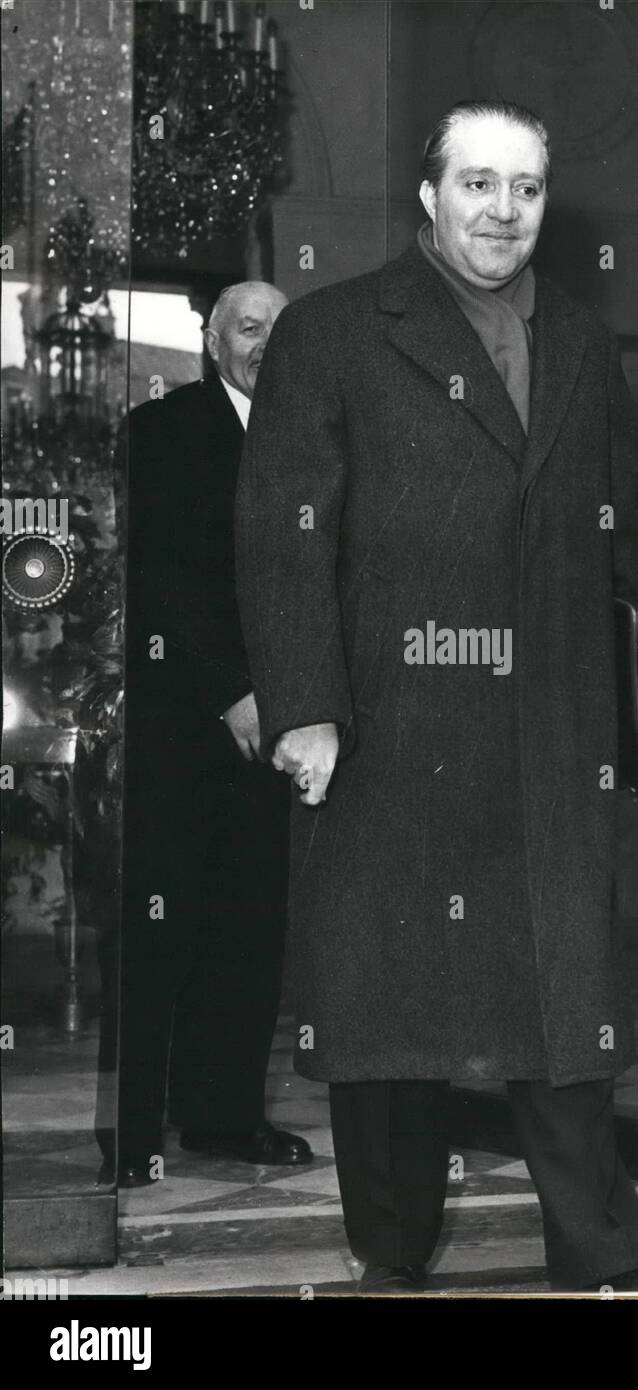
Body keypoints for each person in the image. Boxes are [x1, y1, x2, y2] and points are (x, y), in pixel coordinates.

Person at [236, 103, 638, 1292]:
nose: (503, 211)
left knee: (568, 1011)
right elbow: (283, 544)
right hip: (393, 728)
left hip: (548, 735)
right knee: (392, 1023)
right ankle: (391, 1259)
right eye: (479, 184)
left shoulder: (586, 345)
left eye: (527, 189)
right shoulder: (334, 332)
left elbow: (624, 548)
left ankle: (598, 1252)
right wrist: (306, 708)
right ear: (428, 194)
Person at [117, 281, 312, 1186]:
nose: (264, 343)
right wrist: (232, 692)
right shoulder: (161, 432)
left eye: (279, 328)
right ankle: (131, 1130)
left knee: (248, 929)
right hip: (184, 726)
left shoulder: (314, 435)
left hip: (280, 730)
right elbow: (158, 581)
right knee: (164, 926)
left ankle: (224, 1118)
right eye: (247, 327)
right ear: (210, 341)